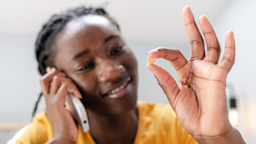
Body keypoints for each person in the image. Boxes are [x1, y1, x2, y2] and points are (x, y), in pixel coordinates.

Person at [8, 6, 245, 144]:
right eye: (85, 66)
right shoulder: (39, 136)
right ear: (56, 82)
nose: (113, 70)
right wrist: (62, 140)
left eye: (117, 49)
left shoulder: (179, 126)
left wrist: (219, 136)